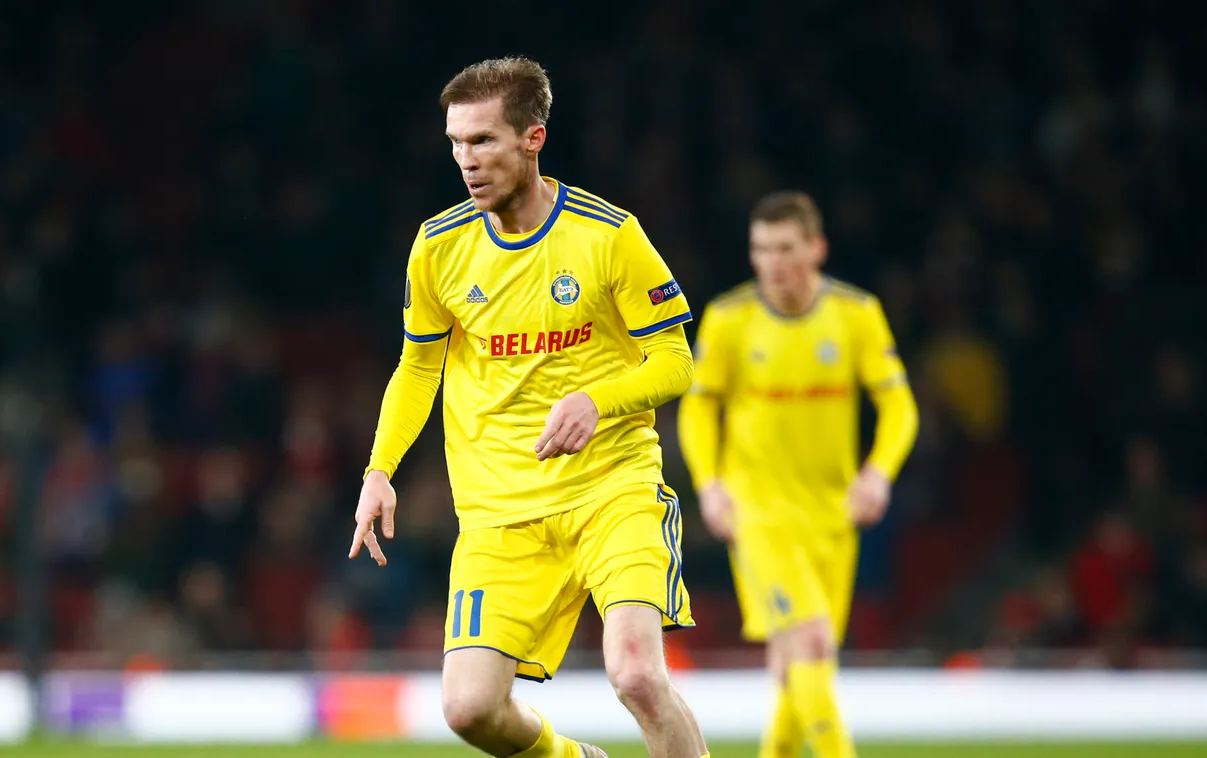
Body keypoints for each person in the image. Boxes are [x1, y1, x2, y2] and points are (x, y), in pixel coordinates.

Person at [350, 57, 711, 758]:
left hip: (611, 490)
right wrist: (378, 470)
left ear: (532, 139)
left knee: (636, 676)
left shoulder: (609, 235)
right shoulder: (437, 246)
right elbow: (418, 364)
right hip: (499, 513)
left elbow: (675, 361)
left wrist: (596, 401)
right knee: (468, 709)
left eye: (482, 141)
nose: (466, 160)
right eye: (455, 143)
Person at [677, 191, 919, 758]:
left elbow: (900, 406)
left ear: (817, 249)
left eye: (786, 248)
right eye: (761, 249)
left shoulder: (855, 315)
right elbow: (697, 408)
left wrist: (878, 474)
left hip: (833, 516)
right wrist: (709, 484)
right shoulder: (730, 319)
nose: (773, 262)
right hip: (758, 514)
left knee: (799, 666)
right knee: (810, 643)